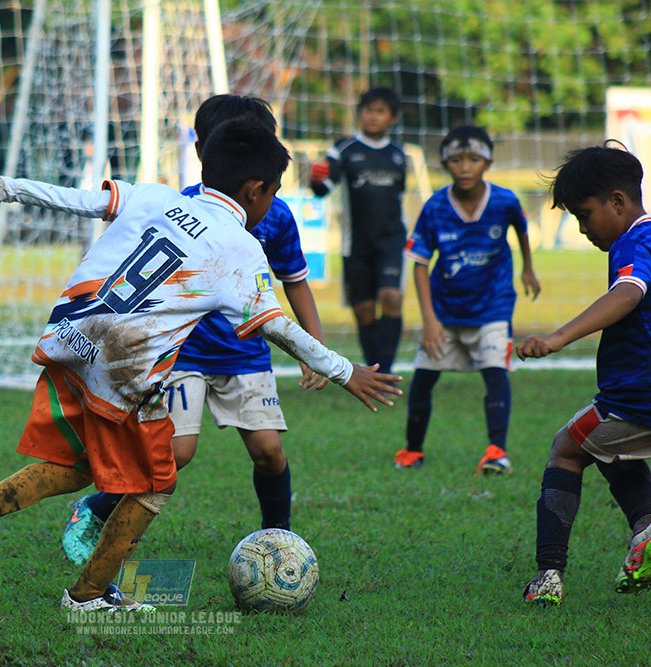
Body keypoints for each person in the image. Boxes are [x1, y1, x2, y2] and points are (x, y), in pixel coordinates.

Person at [0, 119, 402, 612]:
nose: (272, 202)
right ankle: (88, 596)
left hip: (70, 338)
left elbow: (78, 198)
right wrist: (347, 371)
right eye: (274, 191)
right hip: (123, 368)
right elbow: (278, 327)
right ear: (255, 190)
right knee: (156, 484)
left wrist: (0, 188)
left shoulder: (155, 196)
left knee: (79, 465)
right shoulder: (239, 250)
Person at [59, 95, 327, 567]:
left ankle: (278, 546)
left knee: (269, 452)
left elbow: (296, 281)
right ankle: (95, 508)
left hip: (246, 355)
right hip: (184, 353)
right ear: (207, 150)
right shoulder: (183, 207)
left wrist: (314, 346)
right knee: (177, 453)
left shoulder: (276, 215)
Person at [519, 144, 651, 606]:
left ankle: (547, 577)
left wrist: (558, 337)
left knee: (566, 450)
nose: (581, 228)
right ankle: (648, 532)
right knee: (611, 450)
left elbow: (628, 294)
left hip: (638, 394)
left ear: (618, 201)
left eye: (584, 214)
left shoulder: (632, 244)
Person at [397, 125, 540, 473]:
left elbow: (521, 229)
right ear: (445, 164)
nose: (465, 167)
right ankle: (412, 450)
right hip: (445, 311)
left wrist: (528, 269)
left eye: (473, 159)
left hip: (493, 306)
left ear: (487, 162)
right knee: (423, 380)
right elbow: (418, 264)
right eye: (457, 160)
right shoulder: (434, 207)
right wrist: (430, 321)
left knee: (495, 373)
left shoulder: (505, 201)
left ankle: (497, 451)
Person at [309, 87, 407, 375]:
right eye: (367, 110)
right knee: (364, 311)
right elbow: (323, 189)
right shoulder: (343, 150)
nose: (372, 116)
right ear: (359, 113)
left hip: (391, 241)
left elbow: (398, 197)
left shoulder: (399, 155)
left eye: (380, 111)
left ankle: (386, 371)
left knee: (391, 297)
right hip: (356, 245)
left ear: (392, 117)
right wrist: (316, 180)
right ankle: (374, 370)